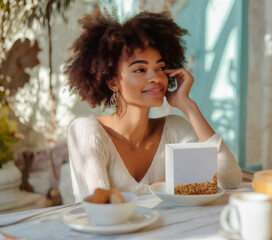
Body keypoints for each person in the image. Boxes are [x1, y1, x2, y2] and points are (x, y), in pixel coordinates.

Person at [65, 9, 242, 202]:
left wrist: (188, 105)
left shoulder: (175, 129)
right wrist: (168, 186)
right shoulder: (87, 132)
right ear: (113, 82)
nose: (156, 78)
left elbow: (230, 180)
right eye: (140, 69)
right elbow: (101, 208)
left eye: (160, 68)